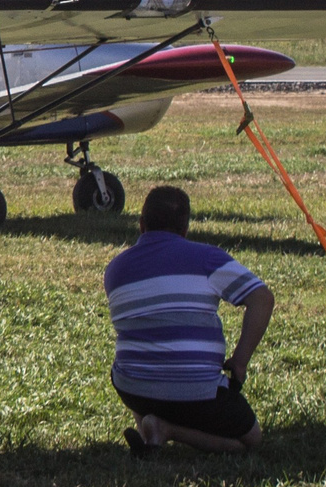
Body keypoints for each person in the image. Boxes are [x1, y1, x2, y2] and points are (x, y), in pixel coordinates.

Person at [103, 184, 272, 456]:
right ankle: (168, 430)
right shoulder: (208, 259)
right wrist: (240, 362)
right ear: (185, 229)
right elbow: (262, 298)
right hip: (198, 393)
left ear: (141, 225)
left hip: (134, 388)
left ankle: (151, 429)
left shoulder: (115, 268)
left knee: (130, 361)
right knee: (250, 441)